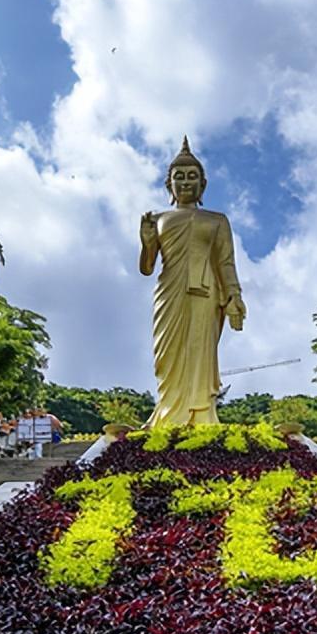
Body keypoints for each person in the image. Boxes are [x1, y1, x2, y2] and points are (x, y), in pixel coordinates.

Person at [140, 137, 246, 427]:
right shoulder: (158, 218)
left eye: (192, 176)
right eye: (179, 177)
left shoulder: (217, 220)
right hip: (169, 290)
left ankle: (201, 416)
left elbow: (225, 262)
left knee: (200, 350)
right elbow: (147, 267)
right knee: (167, 354)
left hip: (206, 293)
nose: (186, 182)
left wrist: (234, 296)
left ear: (203, 184)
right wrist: (147, 242)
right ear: (168, 185)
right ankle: (166, 412)